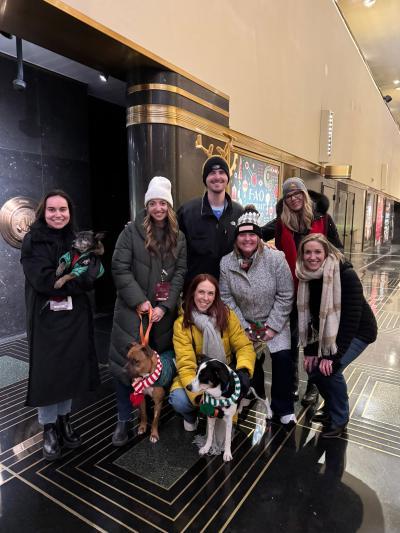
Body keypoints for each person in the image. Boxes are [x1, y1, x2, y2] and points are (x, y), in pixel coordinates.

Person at [20, 190, 101, 461]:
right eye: (52, 209)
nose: (58, 214)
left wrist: (78, 280)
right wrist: (77, 283)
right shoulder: (33, 241)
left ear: (70, 212)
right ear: (43, 212)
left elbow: (91, 271)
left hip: (74, 317)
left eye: (63, 210)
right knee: (48, 374)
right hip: (46, 319)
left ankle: (65, 420)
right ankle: (49, 428)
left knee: (69, 371)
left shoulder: (76, 238)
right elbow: (42, 280)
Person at [109, 176, 186, 446]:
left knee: (156, 368)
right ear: (146, 205)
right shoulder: (130, 232)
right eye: (152, 202)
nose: (158, 208)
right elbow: (119, 267)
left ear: (169, 206)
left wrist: (165, 307)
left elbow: (179, 275)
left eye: (162, 202)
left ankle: (156, 410)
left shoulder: (179, 237)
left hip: (161, 318)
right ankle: (123, 420)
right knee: (125, 368)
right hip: (132, 313)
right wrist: (140, 301)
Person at [262, 177, 343, 406]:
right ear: (285, 200)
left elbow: (338, 249)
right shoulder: (281, 223)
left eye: (298, 194)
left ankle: (313, 387)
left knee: (314, 340)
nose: (294, 198)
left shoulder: (323, 219)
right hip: (290, 291)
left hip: (316, 291)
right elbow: (257, 234)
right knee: (290, 341)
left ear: (305, 195)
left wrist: (328, 270)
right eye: (289, 196)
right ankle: (292, 384)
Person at [220, 206, 296, 425]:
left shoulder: (276, 259)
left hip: (274, 320)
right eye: (242, 234)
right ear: (236, 239)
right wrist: (243, 326)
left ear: (259, 237)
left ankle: (283, 406)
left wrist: (272, 326)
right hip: (244, 321)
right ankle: (254, 394)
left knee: (282, 359)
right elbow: (226, 297)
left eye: (252, 234)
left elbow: (286, 294)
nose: (247, 239)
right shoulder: (226, 263)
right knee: (246, 358)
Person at [295, 233, 377, 437]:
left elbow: (351, 320)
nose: (312, 257)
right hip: (329, 333)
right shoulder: (306, 277)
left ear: (326, 253)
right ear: (302, 255)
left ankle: (340, 419)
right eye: (308, 252)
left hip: (358, 331)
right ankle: (331, 407)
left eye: (317, 252)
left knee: (330, 371)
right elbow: (312, 320)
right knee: (314, 370)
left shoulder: (345, 274)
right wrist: (311, 352)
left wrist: (332, 357)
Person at [170, 273, 256, 434]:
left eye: (210, 293)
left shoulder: (227, 315)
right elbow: (186, 365)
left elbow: (244, 346)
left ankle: (228, 409)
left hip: (223, 373)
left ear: (216, 296)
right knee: (179, 400)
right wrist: (202, 397)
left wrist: (243, 370)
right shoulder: (181, 324)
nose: (205, 298)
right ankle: (191, 415)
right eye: (201, 292)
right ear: (192, 293)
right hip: (198, 375)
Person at [177, 155, 243, 291]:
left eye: (221, 172)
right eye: (212, 173)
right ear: (205, 179)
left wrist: (263, 244)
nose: (217, 177)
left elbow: (248, 244)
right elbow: (174, 247)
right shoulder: (187, 211)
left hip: (229, 291)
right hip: (196, 291)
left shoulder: (238, 212)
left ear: (227, 178)